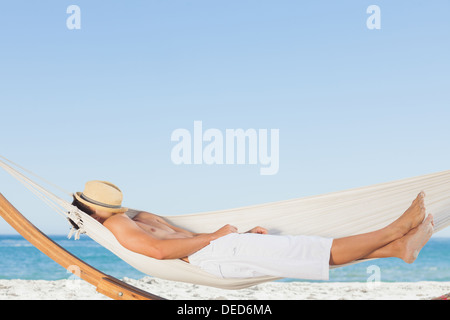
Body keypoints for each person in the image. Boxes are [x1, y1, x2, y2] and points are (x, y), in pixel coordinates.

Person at [71, 180, 434, 280]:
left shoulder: (132, 216)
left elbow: (178, 238)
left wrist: (235, 237)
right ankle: (394, 230)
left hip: (222, 250)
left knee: (304, 250)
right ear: (95, 212)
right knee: (308, 250)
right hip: (214, 254)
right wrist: (219, 237)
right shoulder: (117, 224)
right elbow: (159, 252)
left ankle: (397, 247)